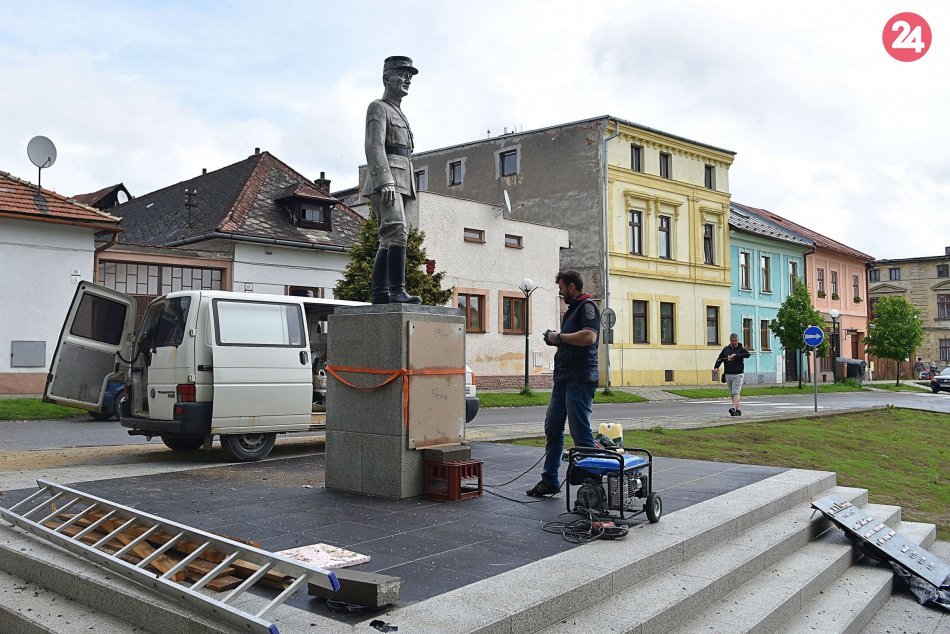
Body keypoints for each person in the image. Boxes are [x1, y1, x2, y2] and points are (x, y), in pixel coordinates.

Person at [527, 270, 601, 497]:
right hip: (563, 378)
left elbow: (589, 337)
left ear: (571, 286)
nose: (560, 293)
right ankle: (549, 480)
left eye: (561, 288)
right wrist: (556, 340)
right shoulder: (572, 310)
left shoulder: (587, 306)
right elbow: (572, 341)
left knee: (580, 431)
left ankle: (593, 484)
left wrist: (559, 337)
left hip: (579, 378)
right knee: (553, 429)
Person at [363, 55, 421, 304]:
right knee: (397, 231)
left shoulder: (400, 113)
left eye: (410, 75)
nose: (407, 78)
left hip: (403, 180)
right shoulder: (378, 107)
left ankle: (380, 292)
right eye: (402, 73)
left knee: (389, 236)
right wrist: (384, 180)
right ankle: (397, 290)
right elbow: (374, 146)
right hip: (387, 179)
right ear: (387, 77)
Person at [714, 333, 751, 416]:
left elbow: (747, 355)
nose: (734, 342)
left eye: (736, 341)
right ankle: (737, 410)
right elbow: (720, 358)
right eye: (732, 341)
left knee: (736, 392)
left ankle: (733, 408)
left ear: (738, 340)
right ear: (730, 341)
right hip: (728, 374)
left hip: (738, 374)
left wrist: (736, 356)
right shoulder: (726, 349)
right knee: (732, 393)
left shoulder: (741, 349)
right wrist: (716, 367)